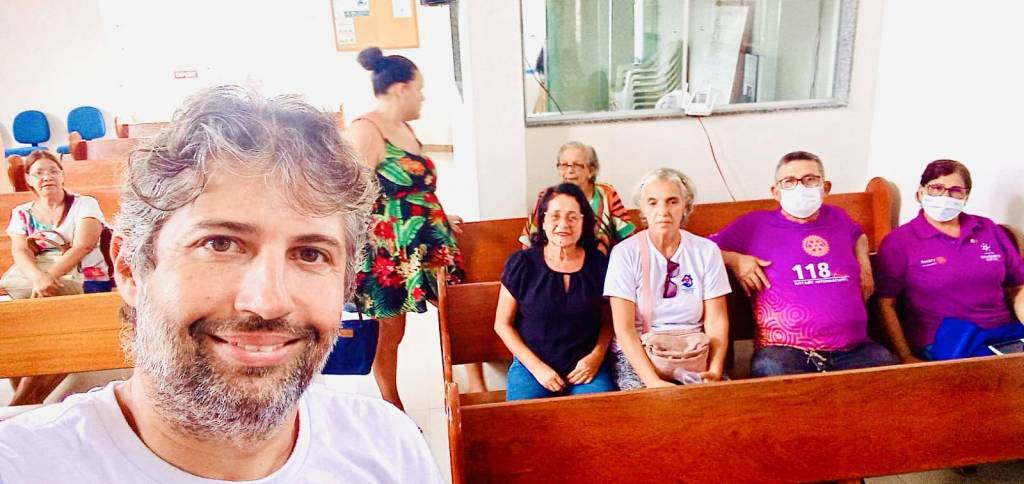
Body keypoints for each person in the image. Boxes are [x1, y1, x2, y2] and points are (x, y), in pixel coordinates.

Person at [0, 86, 443, 483]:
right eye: (220, 244)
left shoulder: (389, 448)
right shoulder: (24, 466)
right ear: (132, 269)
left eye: (310, 254)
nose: (267, 302)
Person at [346, 46, 479, 410]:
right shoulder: (366, 130)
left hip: (431, 240)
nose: (423, 97)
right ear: (400, 89)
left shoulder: (405, 127)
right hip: (389, 249)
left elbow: (418, 187)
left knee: (459, 311)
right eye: (419, 89)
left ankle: (476, 387)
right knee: (391, 331)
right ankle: (392, 405)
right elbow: (351, 195)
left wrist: (439, 216)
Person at [709, 151, 898, 376]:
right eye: (789, 181)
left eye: (810, 179)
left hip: (855, 347)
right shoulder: (754, 225)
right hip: (783, 351)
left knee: (899, 381)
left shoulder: (838, 217)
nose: (800, 187)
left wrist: (864, 265)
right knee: (773, 379)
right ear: (776, 192)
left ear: (825, 187)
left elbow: (860, 236)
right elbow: (700, 250)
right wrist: (735, 260)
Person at [875, 159, 1024, 362]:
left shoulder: (988, 229)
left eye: (955, 190)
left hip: (1004, 333)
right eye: (936, 188)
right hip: (945, 340)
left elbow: (1017, 285)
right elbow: (886, 303)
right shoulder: (899, 241)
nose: (945, 196)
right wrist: (906, 356)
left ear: (966, 196)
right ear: (920, 193)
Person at [4, 149, 114, 406]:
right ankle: (27, 401)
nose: (47, 177)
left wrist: (49, 277)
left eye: (53, 171)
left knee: (50, 321)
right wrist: (37, 278)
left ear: (62, 175)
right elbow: (20, 250)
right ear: (29, 180)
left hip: (88, 276)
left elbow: (83, 245)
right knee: (26, 329)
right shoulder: (22, 212)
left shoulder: (84, 204)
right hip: (38, 282)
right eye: (39, 173)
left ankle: (21, 403)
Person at [604, 168, 731, 389]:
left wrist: (714, 370)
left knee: (718, 402)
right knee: (653, 405)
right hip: (641, 354)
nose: (663, 211)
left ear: (686, 206)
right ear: (643, 209)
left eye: (672, 202)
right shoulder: (625, 253)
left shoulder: (706, 250)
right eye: (653, 203)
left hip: (693, 351)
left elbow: (716, 321)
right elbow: (624, 329)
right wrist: (653, 382)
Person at [495, 183, 616, 400]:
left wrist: (596, 357)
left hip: (586, 366)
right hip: (532, 365)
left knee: (597, 414)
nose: (563, 224)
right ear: (543, 221)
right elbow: (502, 324)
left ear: (583, 223)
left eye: (572, 217)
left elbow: (608, 320)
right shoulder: (522, 263)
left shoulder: (599, 264)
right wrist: (537, 368)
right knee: (523, 417)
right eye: (555, 216)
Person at [521, 142, 636, 254]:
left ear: (591, 170)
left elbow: (629, 239)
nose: (569, 171)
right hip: (554, 264)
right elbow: (529, 243)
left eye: (577, 165)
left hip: (601, 264)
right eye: (564, 165)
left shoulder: (606, 194)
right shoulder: (546, 197)